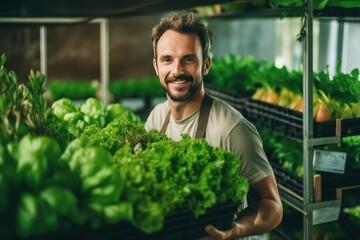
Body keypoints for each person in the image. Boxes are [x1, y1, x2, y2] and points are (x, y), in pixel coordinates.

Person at [145, 11, 283, 240]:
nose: (177, 70)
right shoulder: (156, 118)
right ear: (156, 66)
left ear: (206, 65)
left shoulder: (232, 128)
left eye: (188, 59)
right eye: (167, 59)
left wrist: (234, 230)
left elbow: (273, 206)